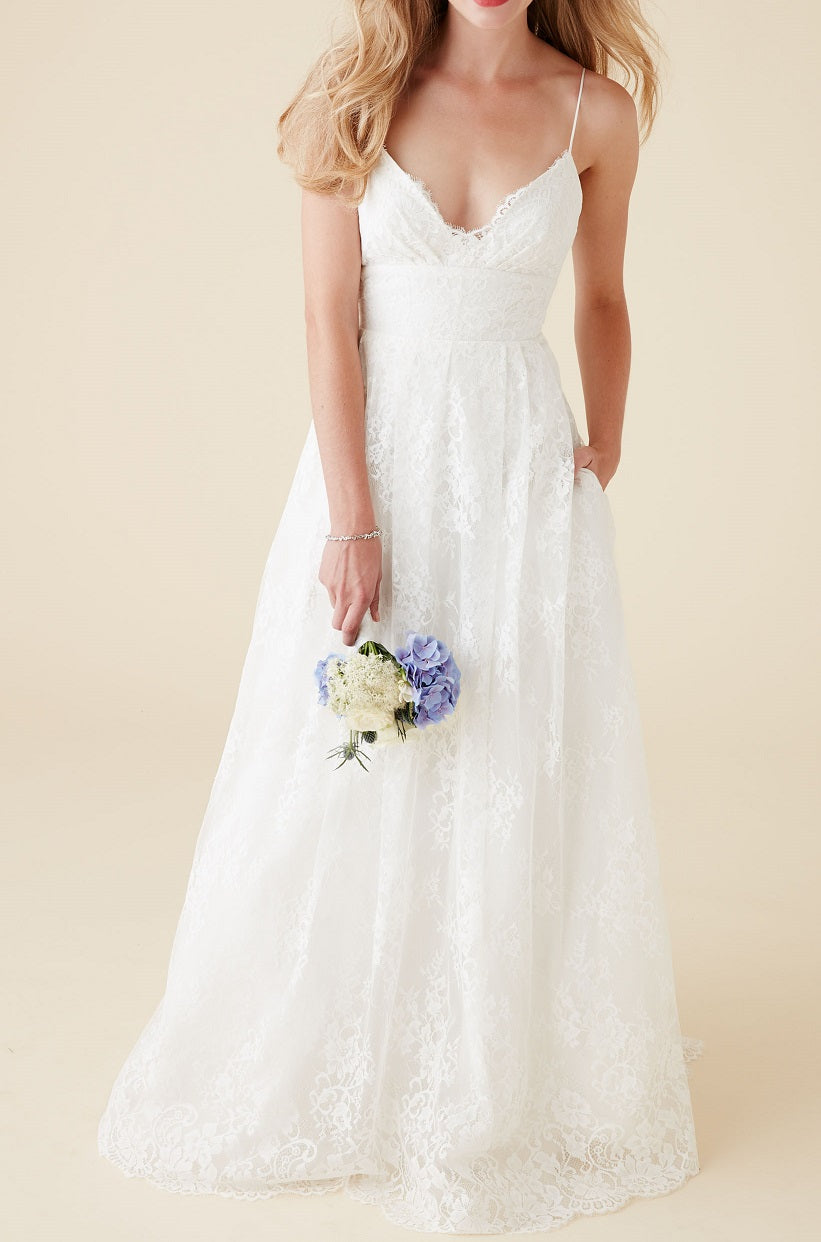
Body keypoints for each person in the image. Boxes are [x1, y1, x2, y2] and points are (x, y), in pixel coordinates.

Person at [97, 1, 704, 1233]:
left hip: (519, 473)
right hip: (379, 469)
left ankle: (487, 1055)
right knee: (355, 756)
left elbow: (600, 296)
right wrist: (351, 520)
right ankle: (338, 1040)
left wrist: (605, 439)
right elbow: (327, 317)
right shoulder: (355, 94)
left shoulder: (594, 113)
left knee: (506, 754)